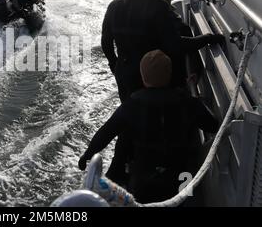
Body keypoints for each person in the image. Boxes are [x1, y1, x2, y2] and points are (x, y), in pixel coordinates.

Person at [78, 50, 219, 203]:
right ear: (170, 74)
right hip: (180, 176)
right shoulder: (187, 102)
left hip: (143, 178)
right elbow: (212, 125)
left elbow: (106, 133)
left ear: (143, 77)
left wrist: (87, 155)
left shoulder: (132, 105)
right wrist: (198, 101)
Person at [101, 0, 224, 103]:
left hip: (125, 75)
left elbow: (106, 42)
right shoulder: (159, 6)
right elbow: (175, 44)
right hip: (154, 77)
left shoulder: (114, 6)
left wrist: (115, 65)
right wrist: (208, 38)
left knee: (131, 115)